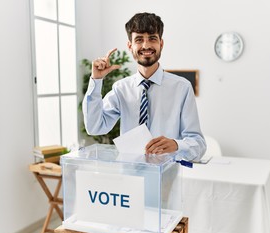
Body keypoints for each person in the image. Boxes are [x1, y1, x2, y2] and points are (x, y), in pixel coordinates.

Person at [82, 12, 206, 161]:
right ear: (130, 46)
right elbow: (95, 127)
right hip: (130, 175)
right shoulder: (121, 88)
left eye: (152, 38)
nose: (146, 45)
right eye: (139, 39)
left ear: (161, 43)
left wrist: (176, 144)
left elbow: (199, 145)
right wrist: (96, 80)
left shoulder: (182, 88)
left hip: (167, 176)